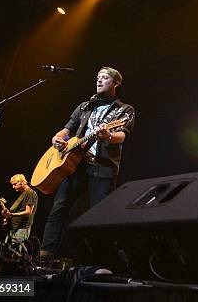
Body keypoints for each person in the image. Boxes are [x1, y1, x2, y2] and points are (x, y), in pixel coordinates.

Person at [40, 67, 135, 259]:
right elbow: (67, 130)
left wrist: (108, 135)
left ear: (116, 83)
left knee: (97, 216)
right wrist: (56, 138)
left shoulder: (124, 110)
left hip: (103, 167)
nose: (99, 81)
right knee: (58, 209)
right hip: (75, 165)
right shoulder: (84, 106)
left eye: (105, 78)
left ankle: (97, 261)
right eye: (98, 77)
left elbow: (121, 136)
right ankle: (45, 255)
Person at [3, 174, 38, 252]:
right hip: (14, 227)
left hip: (22, 227)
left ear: (21, 182)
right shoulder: (23, 194)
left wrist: (11, 215)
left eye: (15, 184)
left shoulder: (30, 193)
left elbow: (28, 212)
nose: (13, 187)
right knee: (8, 250)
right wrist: (8, 217)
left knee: (15, 252)